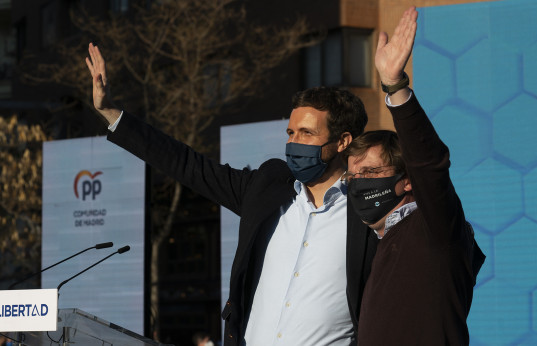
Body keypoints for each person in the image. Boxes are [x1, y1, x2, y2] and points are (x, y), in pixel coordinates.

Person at [85, 36, 378, 346]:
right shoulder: (268, 189)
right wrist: (112, 114)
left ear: (343, 141)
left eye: (306, 133)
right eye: (291, 132)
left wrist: (396, 89)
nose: (293, 143)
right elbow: (187, 165)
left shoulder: (371, 213)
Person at [344, 6, 485, 345]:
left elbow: (429, 164)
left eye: (371, 171)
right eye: (352, 177)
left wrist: (395, 87)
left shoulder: (433, 228)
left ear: (406, 180)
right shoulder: (382, 245)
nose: (359, 183)